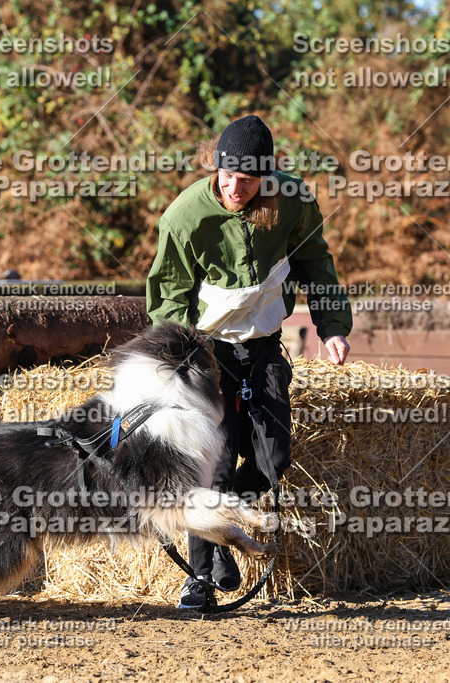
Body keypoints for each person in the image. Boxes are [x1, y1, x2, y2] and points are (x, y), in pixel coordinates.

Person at [146, 114, 351, 609]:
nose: (236, 187)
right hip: (206, 353)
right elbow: (168, 299)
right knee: (212, 464)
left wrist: (333, 326)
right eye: (227, 175)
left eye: (248, 179)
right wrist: (176, 366)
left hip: (262, 349)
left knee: (271, 459)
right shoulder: (184, 217)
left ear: (268, 175)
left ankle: (225, 518)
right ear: (215, 165)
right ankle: (201, 577)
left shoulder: (293, 201)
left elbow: (314, 261)